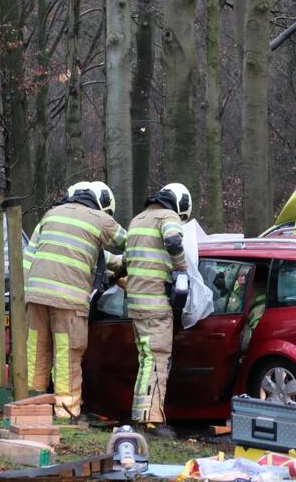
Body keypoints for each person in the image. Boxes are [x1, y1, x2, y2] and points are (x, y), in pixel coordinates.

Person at [24, 181, 127, 421]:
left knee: (36, 351)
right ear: (102, 204)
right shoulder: (100, 220)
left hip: (35, 296)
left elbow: (35, 256)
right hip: (68, 301)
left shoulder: (51, 214)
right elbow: (130, 244)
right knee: (67, 353)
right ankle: (67, 411)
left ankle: (31, 407)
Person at [123, 183, 191, 438]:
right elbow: (173, 241)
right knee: (157, 360)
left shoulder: (137, 220)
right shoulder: (168, 216)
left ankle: (141, 416)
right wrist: (182, 268)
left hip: (136, 304)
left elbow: (128, 260)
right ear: (180, 204)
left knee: (146, 360)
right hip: (155, 304)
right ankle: (152, 421)